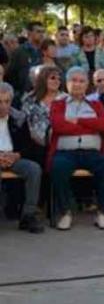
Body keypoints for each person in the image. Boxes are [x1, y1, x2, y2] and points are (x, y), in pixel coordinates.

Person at [49, 67, 104, 230]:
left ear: (87, 85)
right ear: (67, 84)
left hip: (92, 152)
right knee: (58, 167)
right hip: (66, 152)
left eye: (81, 81)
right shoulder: (58, 104)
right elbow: (58, 126)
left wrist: (77, 120)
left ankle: (102, 213)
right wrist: (92, 125)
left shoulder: (95, 104)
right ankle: (66, 212)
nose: (78, 84)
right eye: (74, 80)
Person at [0, 82, 45, 233]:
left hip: (13, 157)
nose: (3, 106)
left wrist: (17, 155)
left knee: (34, 169)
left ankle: (28, 215)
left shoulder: (18, 117)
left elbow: (28, 145)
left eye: (7, 101)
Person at [21, 66, 66, 164]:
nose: (57, 81)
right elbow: (23, 123)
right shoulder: (29, 100)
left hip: (60, 145)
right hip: (33, 145)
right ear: (43, 79)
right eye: (53, 78)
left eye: (59, 79)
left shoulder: (66, 99)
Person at [7, 21, 45, 95]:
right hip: (24, 94)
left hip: (42, 93)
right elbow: (10, 75)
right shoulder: (19, 52)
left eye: (43, 32)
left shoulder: (44, 51)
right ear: (29, 33)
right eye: (38, 31)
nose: (41, 34)